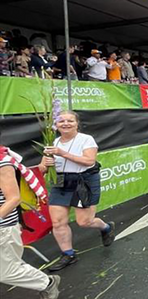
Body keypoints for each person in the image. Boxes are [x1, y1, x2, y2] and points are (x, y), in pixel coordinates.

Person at [37, 111, 115, 272]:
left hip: (83, 181)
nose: (65, 123)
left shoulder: (86, 139)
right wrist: (44, 164)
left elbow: (89, 161)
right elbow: (42, 169)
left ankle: (106, 228)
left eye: (70, 121)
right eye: (61, 121)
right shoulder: (53, 141)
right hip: (60, 181)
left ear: (77, 123)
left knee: (84, 222)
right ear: (56, 125)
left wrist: (62, 154)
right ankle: (68, 254)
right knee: (58, 222)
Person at [0, 142, 61, 299]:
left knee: (7, 271)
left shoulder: (2, 163)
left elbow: (14, 198)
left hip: (3, 228)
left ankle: (47, 283)